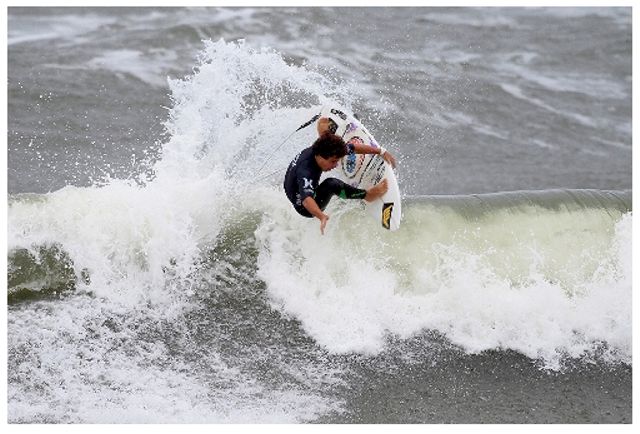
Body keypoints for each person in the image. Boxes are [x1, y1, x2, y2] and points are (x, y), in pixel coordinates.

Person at [284, 117, 397, 234]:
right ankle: (367, 195)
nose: (336, 164)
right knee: (331, 184)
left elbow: (351, 148)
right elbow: (307, 201)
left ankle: (323, 129)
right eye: (333, 161)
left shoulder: (322, 149)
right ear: (321, 157)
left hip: (294, 185)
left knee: (334, 145)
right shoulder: (306, 172)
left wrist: (380, 151)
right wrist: (321, 216)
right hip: (305, 207)